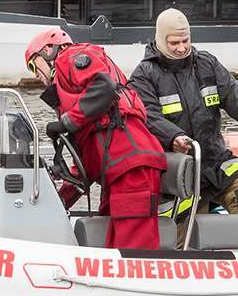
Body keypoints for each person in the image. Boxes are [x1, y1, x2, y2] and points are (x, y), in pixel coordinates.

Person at [130, 8, 238, 237]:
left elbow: (234, 95)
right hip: (178, 167)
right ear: (161, 39)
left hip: (215, 158)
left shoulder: (206, 63)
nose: (181, 48)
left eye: (185, 40)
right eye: (174, 43)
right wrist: (173, 137)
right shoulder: (144, 75)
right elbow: (148, 115)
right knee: (185, 226)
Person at [26, 27, 167, 250]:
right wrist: (59, 200)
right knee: (112, 246)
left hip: (132, 168)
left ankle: (135, 284)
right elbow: (81, 165)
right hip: (117, 173)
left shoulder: (71, 56)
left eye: (33, 65)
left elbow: (104, 87)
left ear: (47, 51)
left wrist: (66, 122)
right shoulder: (73, 98)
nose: (34, 74)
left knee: (134, 250)